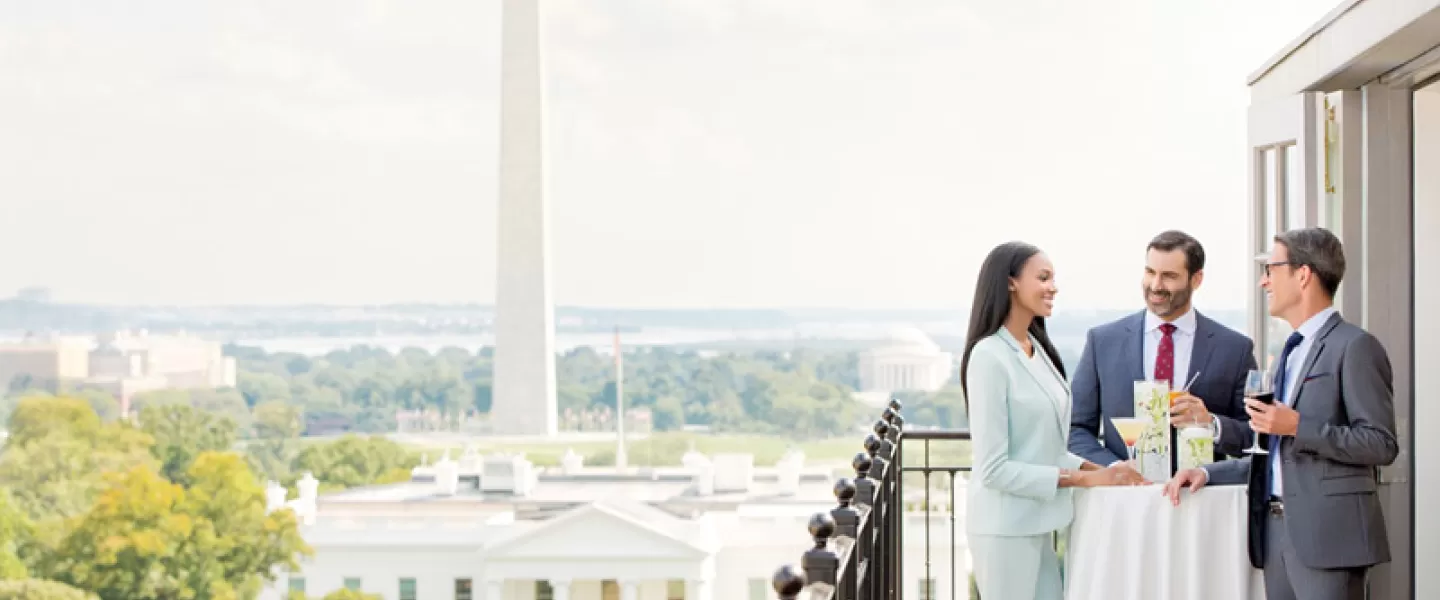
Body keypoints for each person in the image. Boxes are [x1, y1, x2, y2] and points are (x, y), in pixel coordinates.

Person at [1163, 228, 1398, 600]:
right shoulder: (1289, 352)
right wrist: (1208, 472)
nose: (1263, 281)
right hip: (1274, 536)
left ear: (1303, 274)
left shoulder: (1355, 346)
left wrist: (1297, 426)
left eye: (1271, 269)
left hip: (1329, 541)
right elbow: (1275, 455)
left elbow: (1381, 443)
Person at [963, 241, 1144, 600]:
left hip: (1040, 525)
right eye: (1043, 277)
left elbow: (1049, 448)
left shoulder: (1037, 348)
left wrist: (1108, 472)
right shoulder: (989, 357)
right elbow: (993, 469)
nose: (1053, 287)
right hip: (1004, 530)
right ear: (1011, 282)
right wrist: (1085, 480)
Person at [1069, 230, 1260, 471]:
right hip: (1122, 499)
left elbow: (1256, 435)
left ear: (1196, 279)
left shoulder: (1234, 349)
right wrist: (1115, 468)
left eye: (1169, 276)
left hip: (1201, 499)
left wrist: (1210, 423)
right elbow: (1075, 429)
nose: (1156, 286)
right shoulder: (1102, 342)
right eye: (1150, 272)